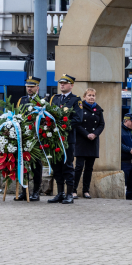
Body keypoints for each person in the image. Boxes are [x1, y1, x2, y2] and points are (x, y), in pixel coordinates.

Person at [46, 74, 82, 204]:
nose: (62, 85)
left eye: (65, 83)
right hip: (55, 139)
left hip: (67, 139)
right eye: (60, 83)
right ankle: (60, 193)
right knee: (57, 166)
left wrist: (63, 127)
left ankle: (69, 194)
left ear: (71, 85)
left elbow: (78, 119)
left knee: (67, 166)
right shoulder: (54, 99)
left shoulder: (75, 100)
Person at [72, 88, 105, 199]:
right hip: (82, 140)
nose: (91, 97)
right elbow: (77, 123)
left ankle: (86, 190)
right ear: (85, 96)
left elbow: (101, 124)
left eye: (93, 95)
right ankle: (73, 190)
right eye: (89, 95)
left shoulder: (98, 109)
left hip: (93, 141)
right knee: (79, 167)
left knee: (89, 168)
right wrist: (87, 134)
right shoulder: (80, 107)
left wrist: (94, 134)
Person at [17, 76, 44, 201]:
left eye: (32, 86)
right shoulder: (21, 100)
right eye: (28, 86)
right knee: (23, 165)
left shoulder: (42, 101)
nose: (29, 88)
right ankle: (24, 191)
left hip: (36, 138)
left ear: (37, 87)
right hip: (24, 137)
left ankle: (36, 192)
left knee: (36, 166)